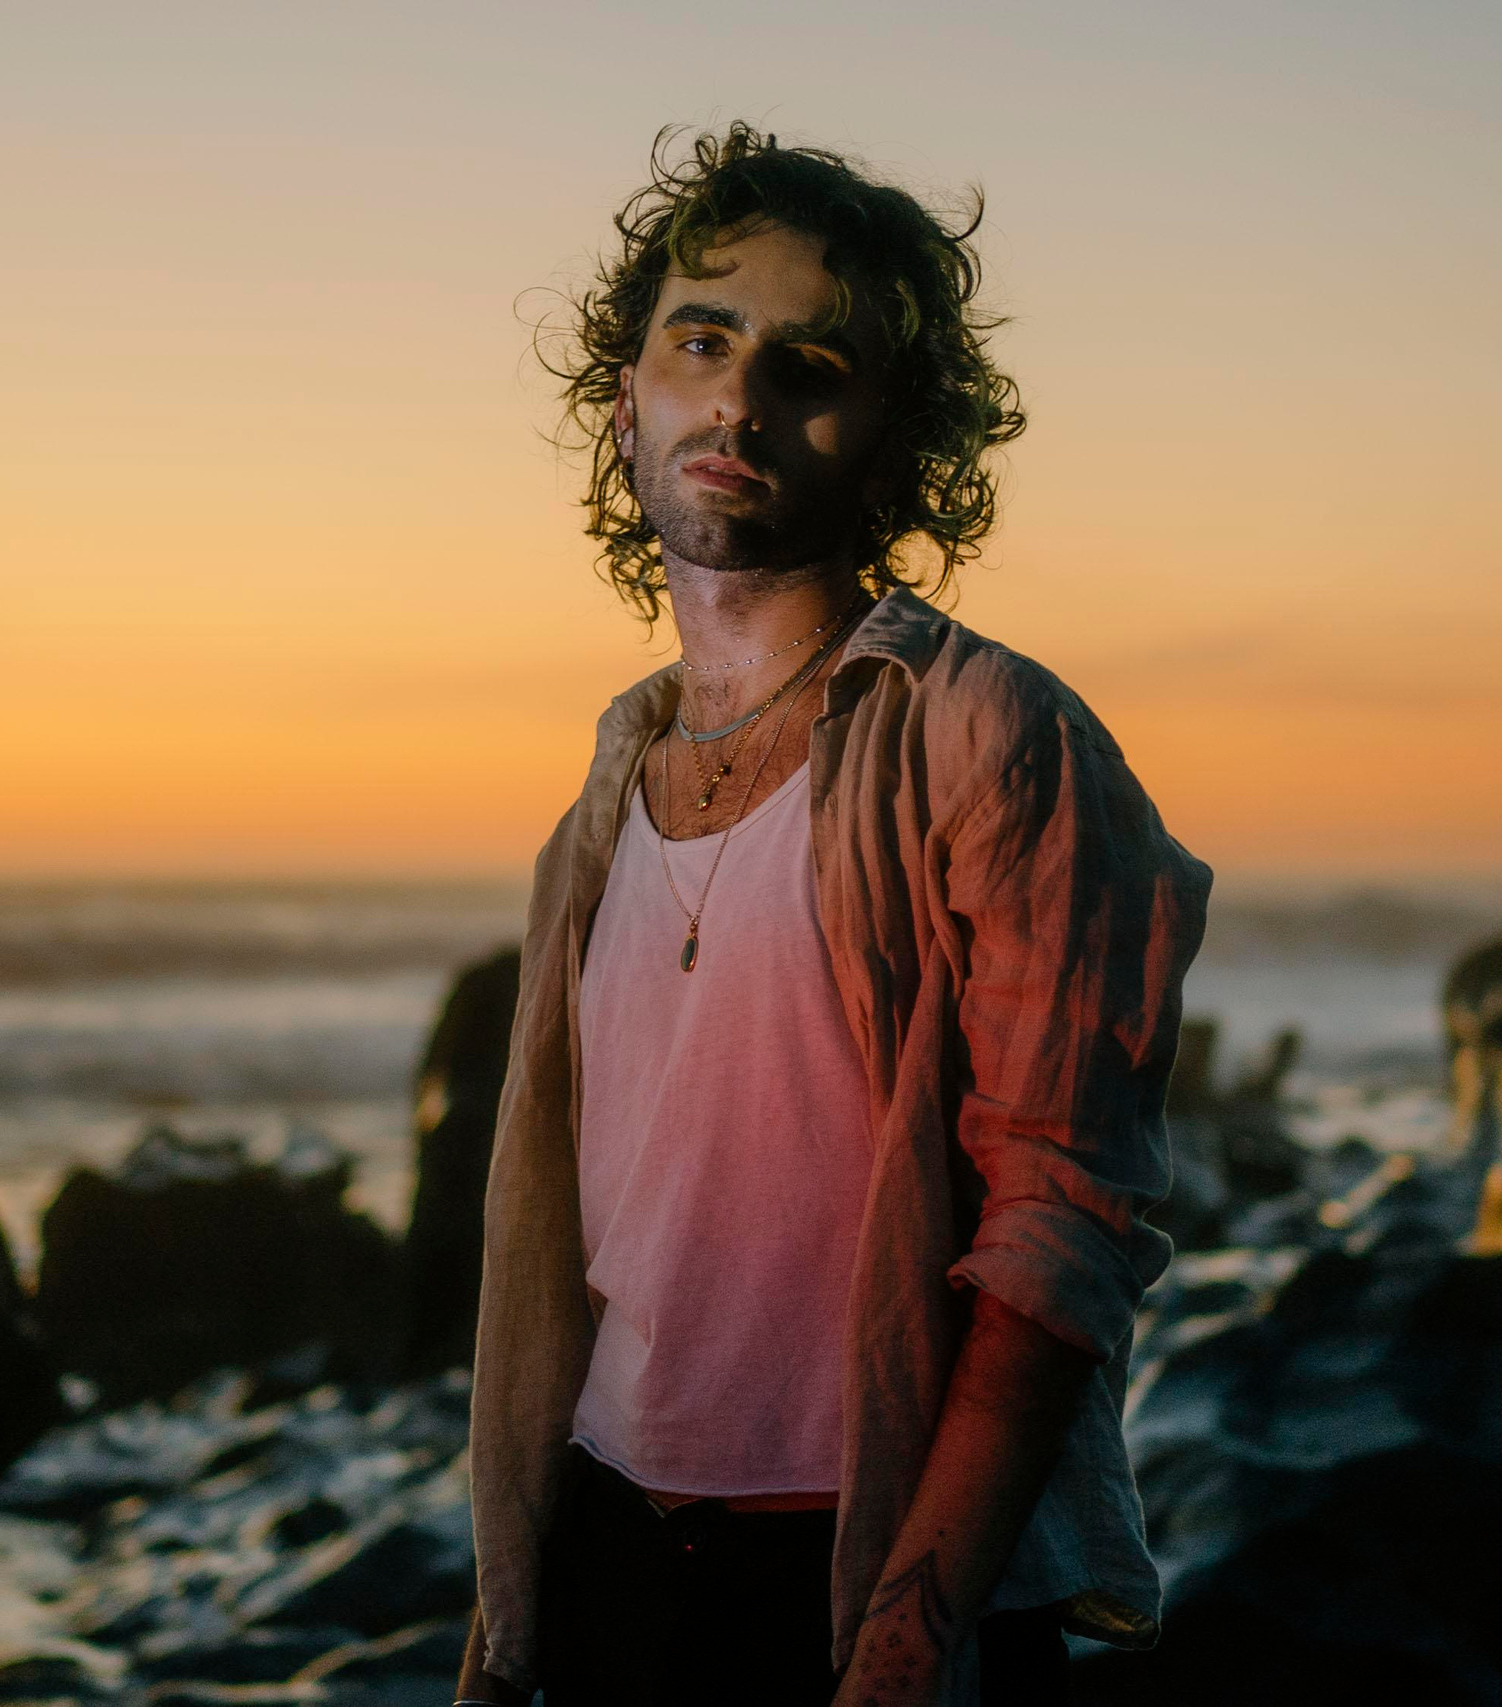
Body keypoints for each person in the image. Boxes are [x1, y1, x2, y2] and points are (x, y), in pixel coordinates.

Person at [454, 124, 1211, 1707]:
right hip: (607, 1550)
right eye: (702, 339)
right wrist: (513, 1609)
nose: (739, 396)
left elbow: (1060, 1227)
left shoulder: (992, 736)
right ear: (628, 398)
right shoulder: (608, 784)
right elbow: (563, 1238)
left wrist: (911, 1627)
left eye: (811, 362)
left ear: (891, 439)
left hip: (851, 1572)